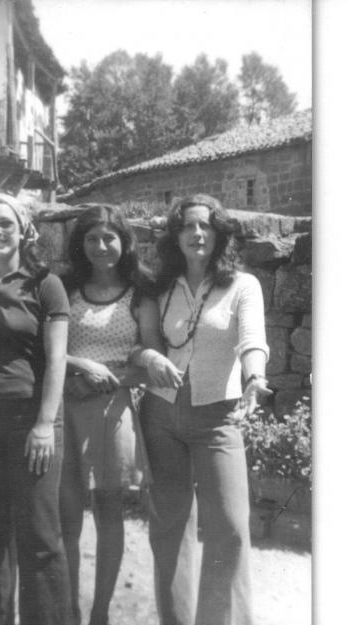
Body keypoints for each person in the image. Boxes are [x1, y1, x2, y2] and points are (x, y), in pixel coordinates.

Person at [132, 194, 271, 625]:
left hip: (218, 417)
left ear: (219, 234)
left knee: (230, 528)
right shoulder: (161, 288)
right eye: (188, 226)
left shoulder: (242, 286)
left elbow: (252, 339)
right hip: (161, 414)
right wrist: (150, 358)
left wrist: (254, 377)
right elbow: (142, 344)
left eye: (206, 225)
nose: (197, 233)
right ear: (175, 236)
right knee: (169, 528)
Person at [0, 192, 72, 625]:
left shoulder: (45, 283)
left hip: (32, 423)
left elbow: (57, 359)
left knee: (40, 537)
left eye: (4, 223)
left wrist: (44, 424)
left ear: (23, 228)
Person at [59, 204, 154, 625]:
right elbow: (46, 348)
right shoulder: (64, 289)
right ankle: (70, 611)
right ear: (81, 244)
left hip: (113, 412)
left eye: (109, 237)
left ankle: (100, 613)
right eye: (92, 238)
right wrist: (80, 368)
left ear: (124, 241)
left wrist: (105, 379)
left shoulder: (140, 293)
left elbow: (151, 363)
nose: (101, 246)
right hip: (65, 408)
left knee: (108, 511)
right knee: (66, 514)